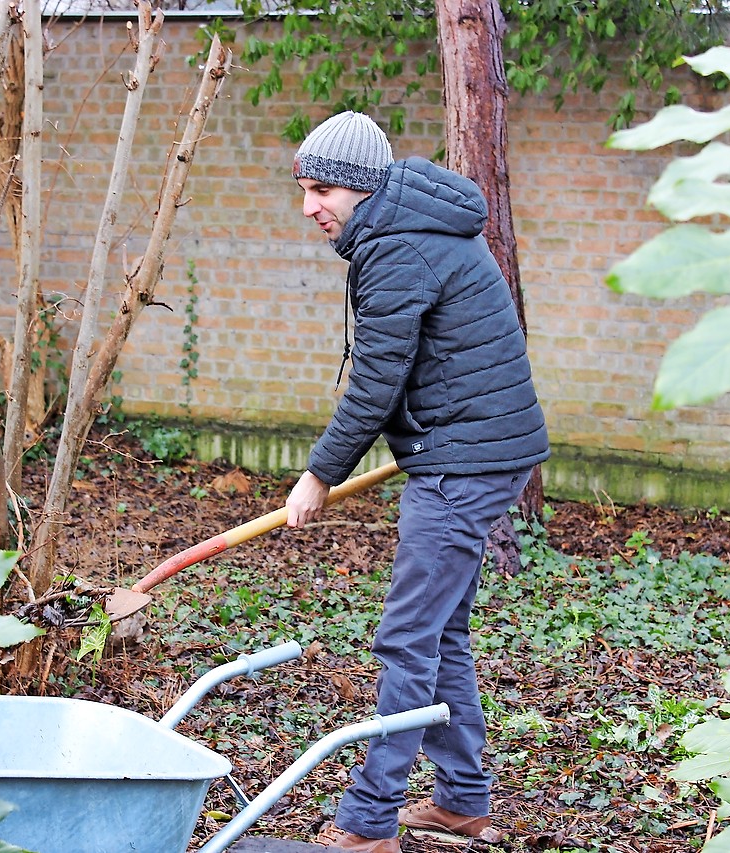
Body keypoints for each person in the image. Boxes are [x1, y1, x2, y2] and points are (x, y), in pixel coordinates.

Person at [285, 111, 550, 853]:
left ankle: (369, 824)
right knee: (442, 632)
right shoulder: (409, 229)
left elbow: (374, 383)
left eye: (325, 188)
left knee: (406, 639)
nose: (312, 205)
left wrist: (316, 477)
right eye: (305, 188)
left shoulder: (398, 249)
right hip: (475, 449)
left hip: (463, 462)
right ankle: (463, 800)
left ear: (365, 188)